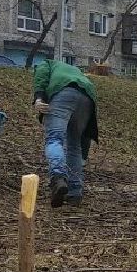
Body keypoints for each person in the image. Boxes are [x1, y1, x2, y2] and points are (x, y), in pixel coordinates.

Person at [32, 58, 99, 207]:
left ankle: (58, 178)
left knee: (54, 139)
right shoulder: (78, 73)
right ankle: (75, 193)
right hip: (87, 98)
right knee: (75, 146)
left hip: (63, 93)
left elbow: (42, 73)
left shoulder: (47, 63)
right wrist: (84, 157)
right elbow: (85, 135)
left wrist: (39, 97)